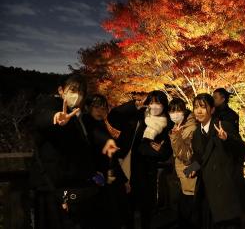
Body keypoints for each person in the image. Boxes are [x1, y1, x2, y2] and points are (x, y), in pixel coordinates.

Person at [30, 74, 114, 229]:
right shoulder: (50, 103)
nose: (77, 95)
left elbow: (84, 146)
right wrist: (55, 117)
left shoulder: (76, 115)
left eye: (81, 92)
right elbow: (42, 117)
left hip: (74, 187)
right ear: (61, 90)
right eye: (73, 90)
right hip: (52, 186)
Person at [107, 90, 173, 229]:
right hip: (127, 167)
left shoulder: (167, 125)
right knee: (126, 207)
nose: (155, 106)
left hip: (147, 172)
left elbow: (167, 152)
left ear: (164, 105)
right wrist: (133, 106)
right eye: (152, 102)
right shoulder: (136, 117)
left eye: (159, 103)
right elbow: (112, 117)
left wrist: (158, 151)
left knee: (145, 210)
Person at [189, 93, 245, 229]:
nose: (199, 111)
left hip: (225, 189)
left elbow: (243, 149)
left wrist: (227, 139)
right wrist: (191, 169)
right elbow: (199, 157)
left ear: (212, 110)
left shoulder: (222, 126)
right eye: (196, 107)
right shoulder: (197, 133)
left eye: (203, 107)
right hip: (206, 190)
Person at [84, 94, 129, 229]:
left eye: (103, 108)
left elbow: (113, 157)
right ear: (88, 108)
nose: (100, 111)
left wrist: (124, 179)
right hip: (97, 178)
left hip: (110, 177)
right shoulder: (86, 125)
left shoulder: (103, 125)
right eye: (96, 107)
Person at [168, 98, 199, 228]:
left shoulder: (189, 129)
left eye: (178, 110)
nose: (175, 114)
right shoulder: (179, 126)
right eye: (172, 111)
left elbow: (187, 156)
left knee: (188, 209)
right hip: (183, 172)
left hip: (188, 172)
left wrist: (175, 137)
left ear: (184, 110)